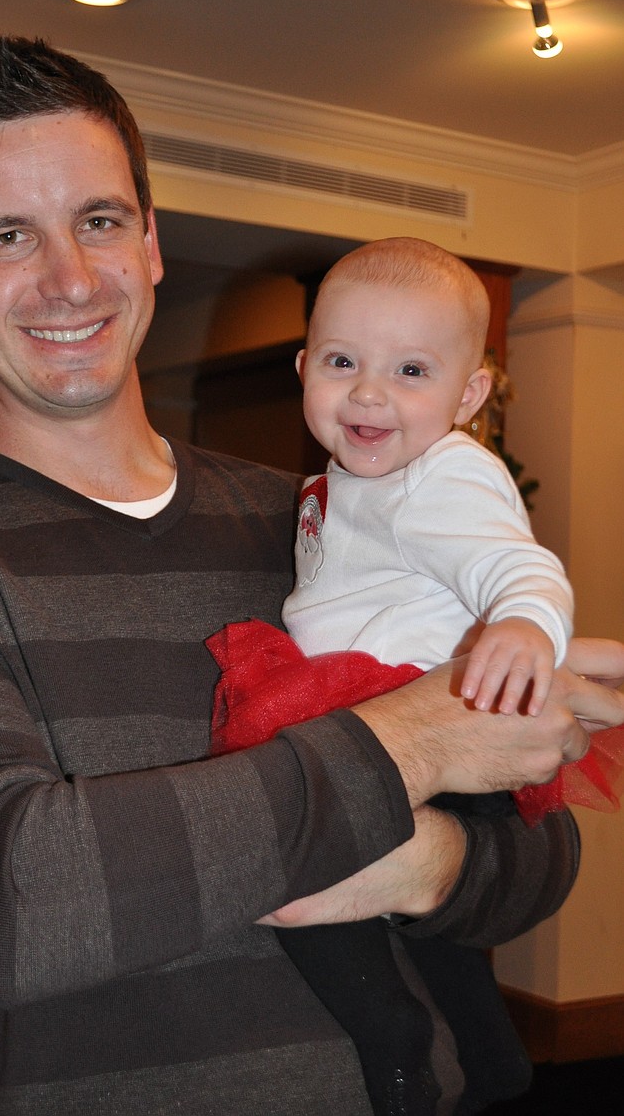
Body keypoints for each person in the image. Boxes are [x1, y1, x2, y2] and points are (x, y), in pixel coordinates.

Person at [0, 36, 624, 1116]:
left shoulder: (320, 518)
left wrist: (434, 865)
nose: (70, 277)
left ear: (151, 246)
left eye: (99, 221)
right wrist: (410, 741)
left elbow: (540, 851)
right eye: (7, 235)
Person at [207, 239, 580, 1113]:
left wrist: (526, 622)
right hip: (375, 712)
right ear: (305, 368)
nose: (369, 391)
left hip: (415, 717)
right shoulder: (338, 482)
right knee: (438, 939)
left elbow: (518, 566)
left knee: (307, 881)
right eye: (343, 362)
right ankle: (492, 1057)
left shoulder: (446, 472)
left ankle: (393, 1035)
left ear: (470, 392)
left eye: (411, 369)